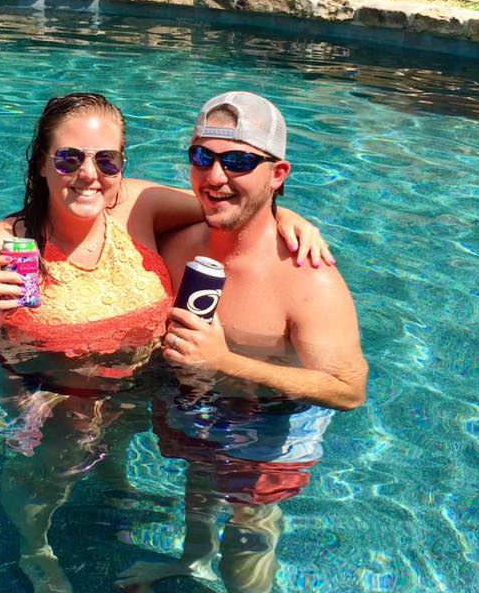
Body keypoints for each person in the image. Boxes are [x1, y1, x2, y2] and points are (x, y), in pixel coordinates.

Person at [0, 92, 332, 593]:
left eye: (106, 160)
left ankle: (115, 491)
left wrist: (290, 219)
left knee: (133, 460)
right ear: (41, 163)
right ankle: (36, 549)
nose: (88, 174)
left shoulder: (138, 207)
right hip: (54, 393)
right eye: (68, 158)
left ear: (121, 165)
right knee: (46, 474)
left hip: (140, 389)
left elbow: (233, 205)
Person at [119, 90, 367, 593]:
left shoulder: (308, 278)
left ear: (278, 174)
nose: (215, 176)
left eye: (238, 161)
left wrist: (227, 362)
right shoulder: (176, 241)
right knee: (198, 492)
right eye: (202, 157)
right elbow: (104, 191)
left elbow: (348, 390)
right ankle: (192, 563)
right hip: (194, 402)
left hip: (270, 424)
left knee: (247, 543)